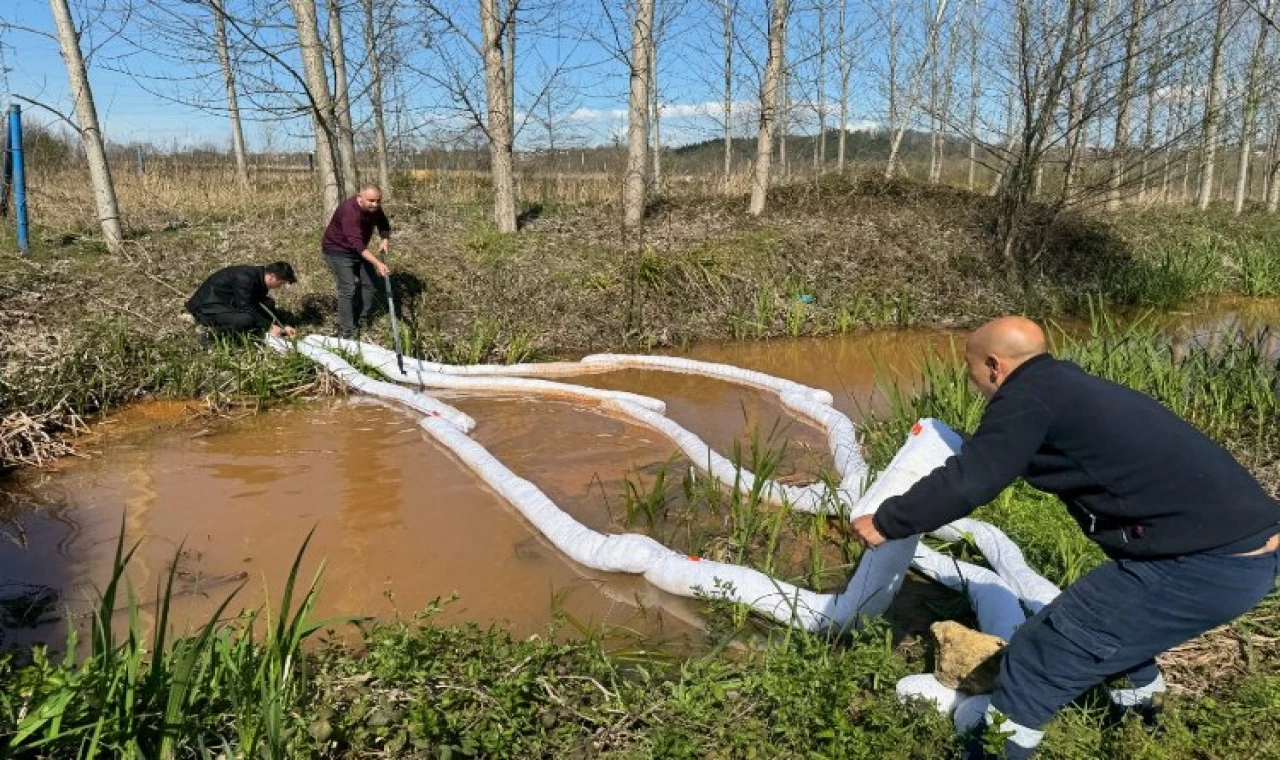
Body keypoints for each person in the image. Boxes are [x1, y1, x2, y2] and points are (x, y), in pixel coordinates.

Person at [851, 316, 1280, 760]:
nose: (971, 378)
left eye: (971, 367)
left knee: (1041, 654)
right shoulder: (1063, 385)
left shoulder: (1026, 397)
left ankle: (993, 751)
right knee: (1119, 634)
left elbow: (970, 482)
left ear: (994, 365)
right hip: (1249, 550)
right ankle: (1144, 726)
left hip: (1203, 564)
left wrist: (888, 521)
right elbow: (1006, 456)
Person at [321, 184, 392, 338]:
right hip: (337, 251)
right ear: (360, 198)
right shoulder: (349, 212)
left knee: (371, 284)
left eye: (378, 201)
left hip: (357, 251)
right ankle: (347, 330)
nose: (375, 204)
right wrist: (378, 263)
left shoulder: (375, 209)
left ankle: (362, 319)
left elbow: (384, 225)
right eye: (371, 200)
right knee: (348, 289)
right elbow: (358, 245)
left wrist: (385, 239)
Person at [186, 261, 298, 339]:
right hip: (206, 308)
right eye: (281, 283)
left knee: (268, 303)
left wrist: (283, 325)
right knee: (246, 320)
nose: (279, 287)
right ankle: (212, 337)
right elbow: (245, 307)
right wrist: (269, 327)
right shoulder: (245, 278)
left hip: (228, 302)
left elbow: (259, 303)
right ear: (272, 276)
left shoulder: (259, 277)